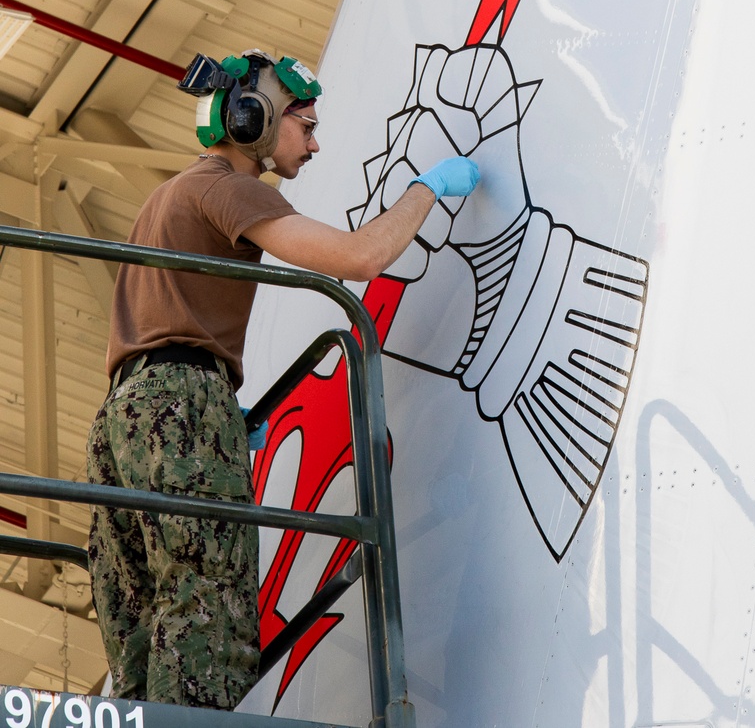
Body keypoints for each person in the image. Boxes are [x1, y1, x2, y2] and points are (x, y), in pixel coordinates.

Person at [86, 48, 479, 709]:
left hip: (120, 420)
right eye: (305, 123)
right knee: (208, 603)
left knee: (141, 618)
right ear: (252, 119)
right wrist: (426, 190)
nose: (315, 142)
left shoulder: (168, 196)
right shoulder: (227, 187)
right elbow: (358, 258)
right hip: (180, 402)